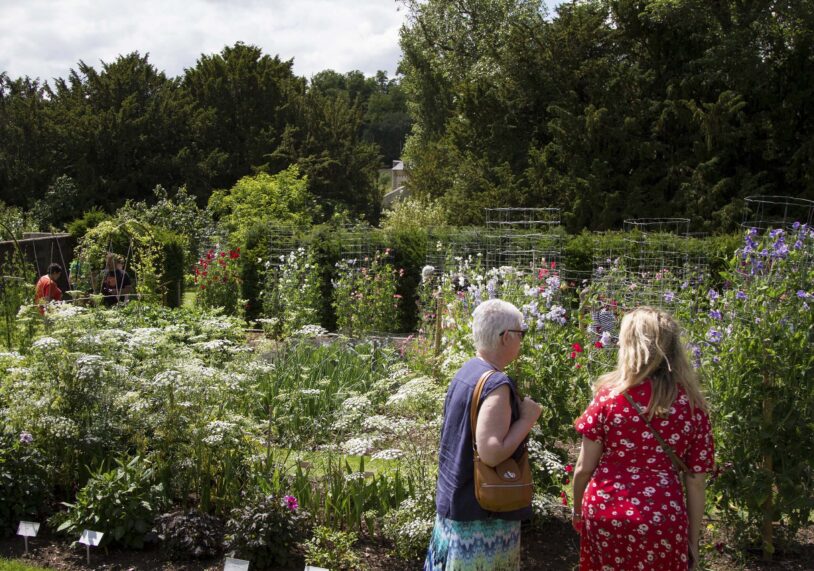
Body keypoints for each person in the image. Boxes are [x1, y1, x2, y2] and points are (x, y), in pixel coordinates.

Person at [572, 307, 714, 571]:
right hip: (662, 516)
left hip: (606, 509)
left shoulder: (608, 398)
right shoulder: (692, 405)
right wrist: (692, 541)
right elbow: (695, 481)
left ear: (628, 345)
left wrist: (577, 509)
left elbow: (584, 468)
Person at [425, 298, 543, 571]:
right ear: (506, 337)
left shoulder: (468, 371)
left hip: (456, 504)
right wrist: (527, 419)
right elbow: (491, 451)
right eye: (521, 334)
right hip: (482, 517)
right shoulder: (496, 384)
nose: (522, 340)